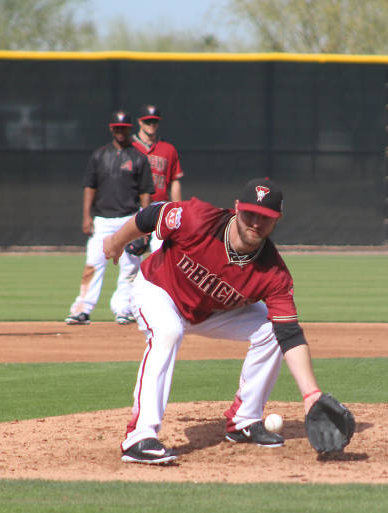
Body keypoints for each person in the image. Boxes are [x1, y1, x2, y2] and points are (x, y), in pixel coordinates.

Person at [103, 178, 331, 464]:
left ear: (277, 220)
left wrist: (311, 395)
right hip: (158, 290)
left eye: (266, 218)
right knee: (169, 331)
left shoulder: (274, 274)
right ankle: (139, 437)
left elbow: (289, 333)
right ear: (237, 208)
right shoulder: (199, 219)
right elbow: (151, 216)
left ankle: (244, 421)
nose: (256, 223)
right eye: (250, 214)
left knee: (272, 329)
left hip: (209, 311)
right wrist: (115, 242)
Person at [64, 110, 153, 326]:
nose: (120, 131)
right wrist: (87, 217)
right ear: (111, 129)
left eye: (124, 127)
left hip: (129, 219)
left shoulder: (138, 158)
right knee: (93, 264)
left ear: (129, 129)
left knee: (130, 266)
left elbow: (145, 193)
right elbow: (90, 187)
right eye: (117, 127)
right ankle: (82, 309)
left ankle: (123, 309)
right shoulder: (99, 155)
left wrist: (145, 225)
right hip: (102, 219)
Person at [131, 104, 183, 253]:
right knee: (131, 261)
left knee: (161, 255)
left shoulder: (168, 149)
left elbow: (174, 181)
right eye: (148, 121)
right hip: (134, 208)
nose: (151, 125)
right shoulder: (130, 147)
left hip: (160, 207)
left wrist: (178, 208)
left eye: (154, 121)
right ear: (140, 122)